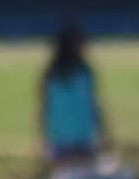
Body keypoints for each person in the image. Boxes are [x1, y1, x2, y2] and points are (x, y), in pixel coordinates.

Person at [39, 24, 109, 163]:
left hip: (81, 139)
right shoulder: (56, 74)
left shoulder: (81, 72)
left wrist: (104, 132)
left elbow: (92, 105)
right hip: (62, 141)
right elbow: (44, 108)